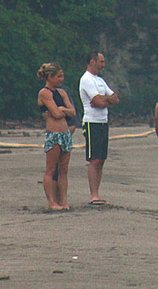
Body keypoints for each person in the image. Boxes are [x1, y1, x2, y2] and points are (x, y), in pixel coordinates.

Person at [79, 51, 119, 206]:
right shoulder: (86, 80)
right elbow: (99, 102)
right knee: (94, 159)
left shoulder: (100, 80)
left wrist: (104, 99)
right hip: (91, 123)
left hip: (103, 122)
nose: (103, 65)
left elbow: (115, 98)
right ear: (92, 62)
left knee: (101, 159)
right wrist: (102, 100)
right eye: (101, 62)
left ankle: (97, 193)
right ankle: (93, 195)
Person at [37, 63, 77, 210]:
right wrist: (63, 110)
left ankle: (64, 201)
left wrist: (63, 109)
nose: (62, 79)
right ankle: (52, 202)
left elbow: (72, 112)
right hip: (53, 134)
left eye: (62, 76)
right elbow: (56, 113)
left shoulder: (62, 93)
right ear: (50, 77)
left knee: (64, 169)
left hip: (65, 133)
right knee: (51, 169)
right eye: (59, 76)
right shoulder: (44, 93)